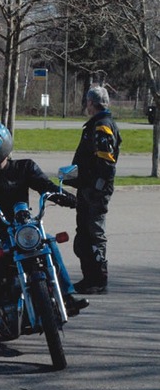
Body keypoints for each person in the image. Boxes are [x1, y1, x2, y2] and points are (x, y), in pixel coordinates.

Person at [0, 121, 89, 329]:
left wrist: (71, 199)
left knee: (48, 241)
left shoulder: (24, 167)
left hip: (22, 228)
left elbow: (46, 187)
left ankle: (67, 295)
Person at [68, 85, 122, 295]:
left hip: (95, 192)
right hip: (87, 188)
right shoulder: (96, 124)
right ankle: (88, 278)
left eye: (87, 102)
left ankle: (98, 280)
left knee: (94, 234)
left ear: (91, 103)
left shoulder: (102, 126)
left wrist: (96, 188)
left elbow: (106, 163)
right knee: (83, 235)